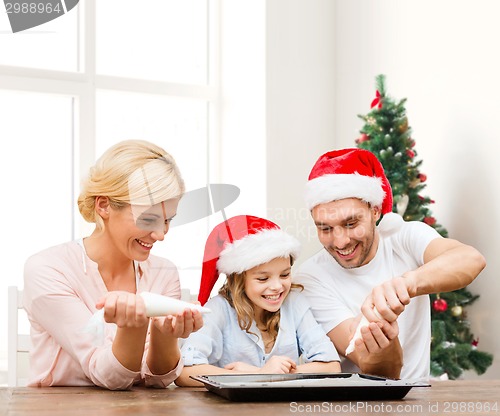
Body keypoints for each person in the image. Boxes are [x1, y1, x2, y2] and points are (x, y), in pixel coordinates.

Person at [23, 140, 203, 390]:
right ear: (104, 205)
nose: (161, 234)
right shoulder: (48, 269)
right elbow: (108, 376)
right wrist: (134, 325)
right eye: (149, 219)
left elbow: (158, 379)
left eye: (167, 220)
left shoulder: (165, 273)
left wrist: (166, 335)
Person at [295, 148, 486, 380]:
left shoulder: (405, 237)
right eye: (325, 228)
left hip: (420, 402)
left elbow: (470, 259)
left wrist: (407, 284)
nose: (340, 241)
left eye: (351, 223)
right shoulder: (310, 278)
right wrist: (383, 337)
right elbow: (373, 367)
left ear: (375, 211)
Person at [175, 215, 341, 386]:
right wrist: (261, 373)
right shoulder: (218, 309)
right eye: (263, 279)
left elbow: (332, 366)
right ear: (239, 280)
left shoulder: (295, 302)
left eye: (285, 274)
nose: (277, 286)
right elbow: (185, 373)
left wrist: (267, 375)